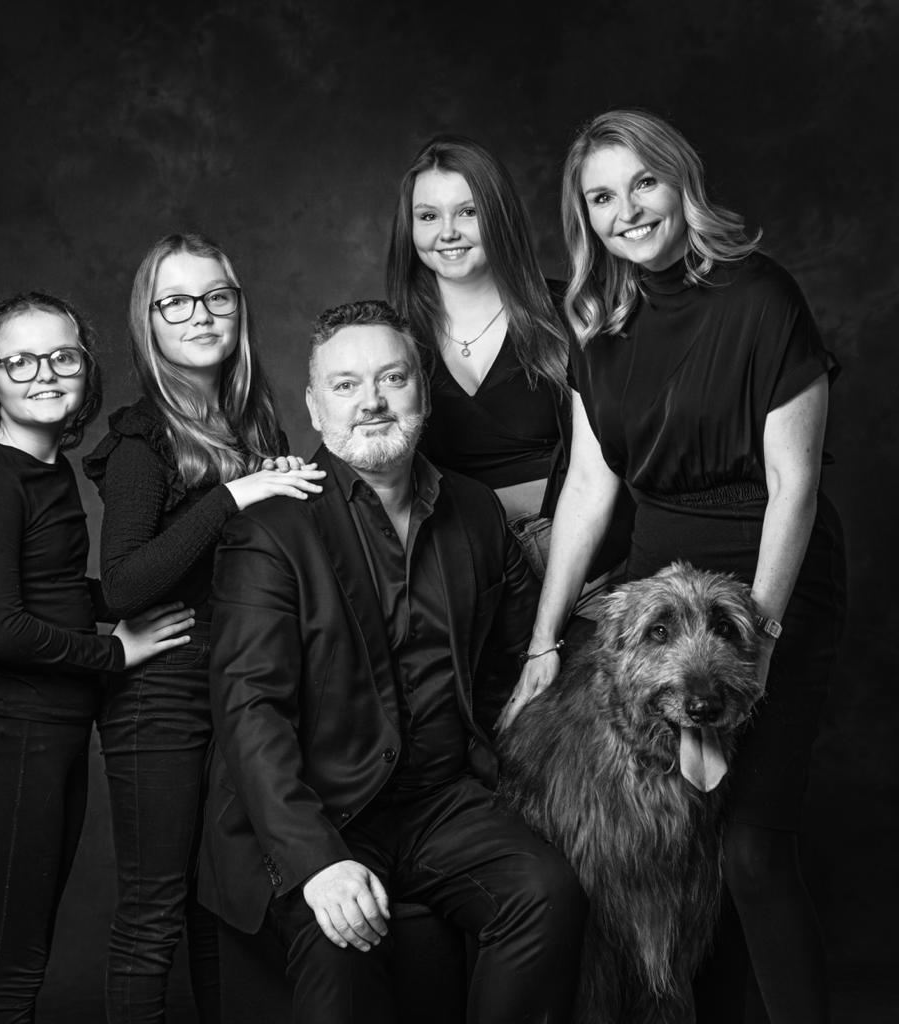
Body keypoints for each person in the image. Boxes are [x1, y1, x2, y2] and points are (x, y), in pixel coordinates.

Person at [499, 109, 846, 1024]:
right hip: (656, 592)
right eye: (601, 198)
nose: (627, 211)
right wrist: (544, 642)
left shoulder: (762, 296)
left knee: (752, 851)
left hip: (771, 575)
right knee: (681, 851)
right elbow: (585, 485)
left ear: (679, 181)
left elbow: (795, 482)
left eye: (641, 183)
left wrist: (761, 634)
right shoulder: (596, 321)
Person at [196, 300, 587, 1024]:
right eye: (345, 385)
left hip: (442, 801)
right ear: (315, 408)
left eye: (392, 378)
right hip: (326, 809)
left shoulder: (472, 510)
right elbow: (250, 715)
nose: (371, 401)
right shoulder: (271, 532)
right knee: (339, 951)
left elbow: (507, 667)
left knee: (548, 891)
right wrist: (316, 860)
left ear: (422, 393)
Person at [0, 292, 193, 1021]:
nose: (44, 372)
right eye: (20, 360)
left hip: (53, 736)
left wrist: (143, 590)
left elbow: (56, 589)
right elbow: (6, 630)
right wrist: (116, 654)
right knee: (14, 969)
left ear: (85, 369)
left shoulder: (49, 470)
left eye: (62, 356)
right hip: (10, 739)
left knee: (29, 954)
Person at [82, 233, 324, 1023]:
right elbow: (122, 583)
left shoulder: (251, 421)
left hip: (240, 690)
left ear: (238, 306)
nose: (200, 315)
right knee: (152, 914)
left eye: (217, 296)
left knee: (219, 905)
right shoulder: (141, 442)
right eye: (175, 302)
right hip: (161, 694)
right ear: (148, 321)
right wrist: (235, 495)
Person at [385, 133, 631, 605]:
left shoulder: (570, 311)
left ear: (497, 216)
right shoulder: (393, 336)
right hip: (466, 571)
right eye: (428, 216)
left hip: (587, 566)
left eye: (468, 211)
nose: (447, 232)